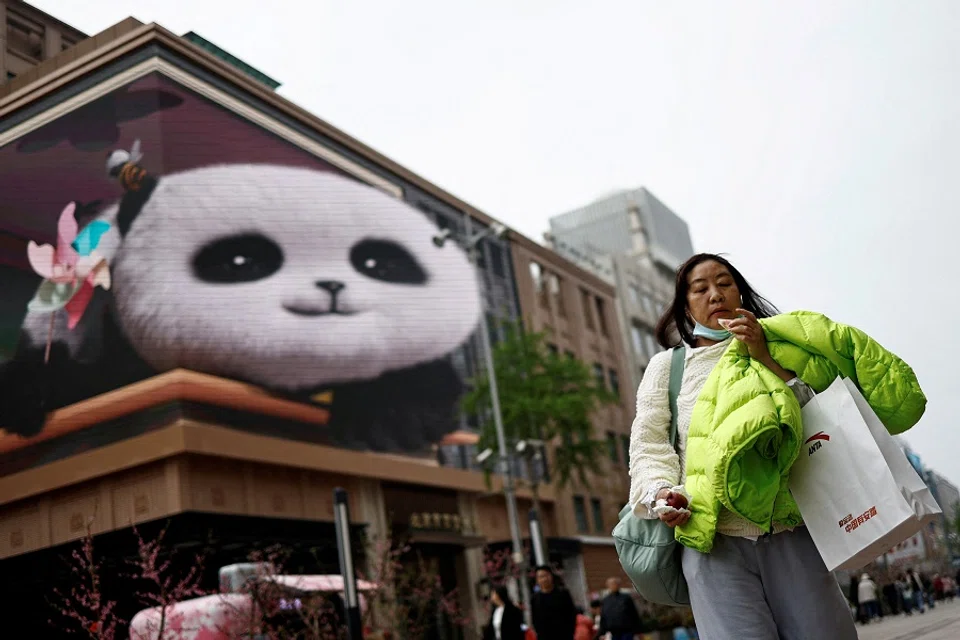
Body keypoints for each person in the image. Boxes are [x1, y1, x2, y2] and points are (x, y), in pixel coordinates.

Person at [628, 253, 923, 640]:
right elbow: (649, 446)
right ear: (686, 306)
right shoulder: (668, 367)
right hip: (711, 542)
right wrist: (662, 493)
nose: (715, 294)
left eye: (724, 283)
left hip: (791, 530)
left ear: (741, 292)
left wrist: (763, 356)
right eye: (700, 289)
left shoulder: (780, 344)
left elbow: (817, 419)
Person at [530, 566, 577, 640]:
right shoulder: (535, 598)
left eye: (546, 575)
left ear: (551, 576)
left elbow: (571, 614)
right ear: (537, 580)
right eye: (541, 577)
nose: (544, 579)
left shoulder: (563, 594)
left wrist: (570, 632)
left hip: (564, 635)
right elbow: (535, 620)